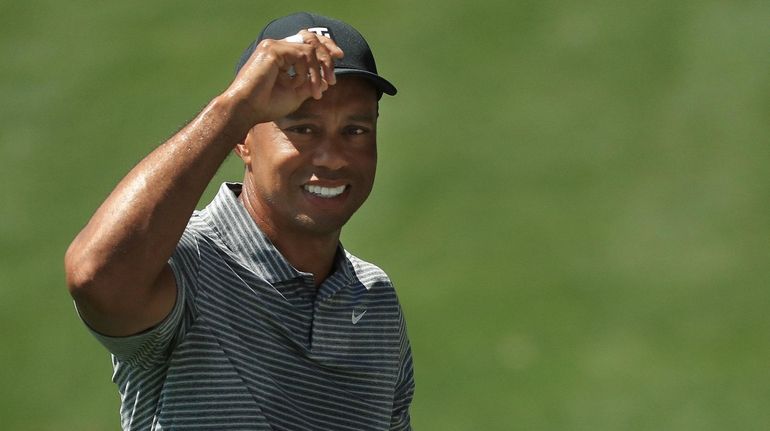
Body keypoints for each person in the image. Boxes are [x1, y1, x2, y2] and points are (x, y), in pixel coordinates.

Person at [64, 12, 414, 430]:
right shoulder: (185, 262)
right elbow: (95, 275)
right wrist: (235, 107)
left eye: (355, 131)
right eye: (302, 128)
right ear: (243, 142)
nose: (333, 156)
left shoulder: (374, 300)